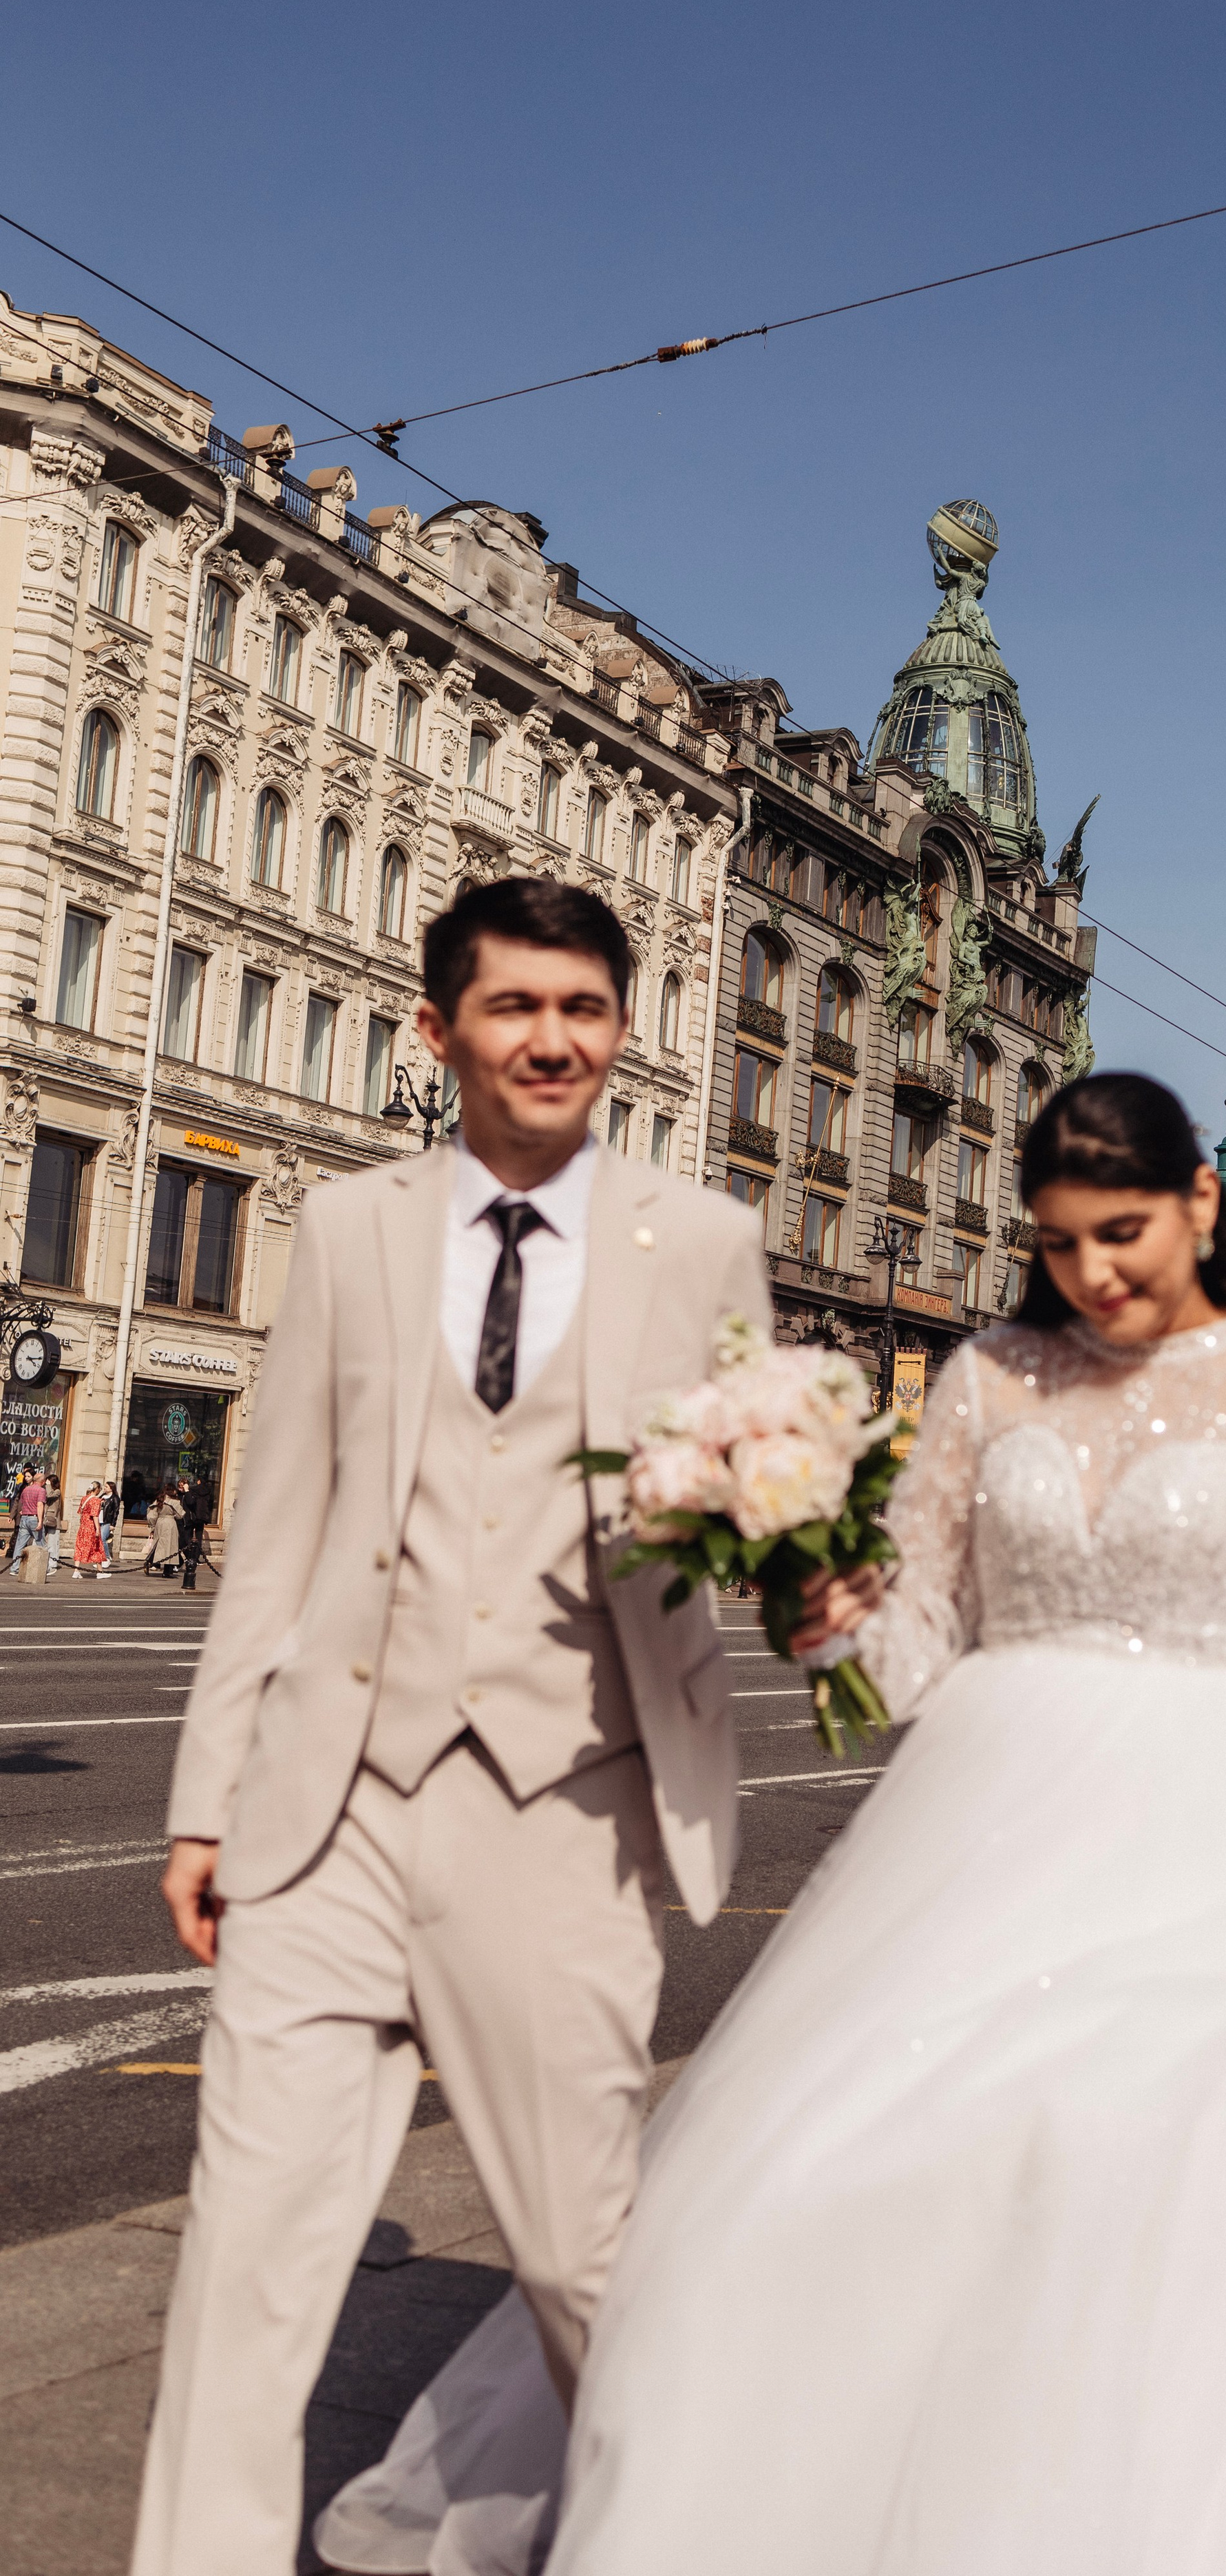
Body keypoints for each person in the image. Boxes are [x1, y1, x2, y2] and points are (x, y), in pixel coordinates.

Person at [317, 1073, 1226, 2576]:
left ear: (1196, 1206)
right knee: (861, 2170)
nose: (1091, 1278)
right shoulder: (990, 1378)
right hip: (993, 1810)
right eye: (1055, 1246)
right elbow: (918, 1643)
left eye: (1120, 1236)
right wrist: (817, 1600)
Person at [129, 878, 770, 2576]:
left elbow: (753, 1513)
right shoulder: (347, 1229)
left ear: (619, 1028)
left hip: (564, 1808)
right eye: (513, 1007)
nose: (551, 1037)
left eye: (583, 1006)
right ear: (440, 1028)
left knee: (580, 2259)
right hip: (324, 1812)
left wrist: (774, 1531)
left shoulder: (700, 1241)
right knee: (245, 2276)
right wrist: (208, 1800)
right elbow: (274, 1535)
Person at [178, 1475, 213, 1592]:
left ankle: (190, 1558)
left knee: (188, 1537)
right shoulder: (208, 1491)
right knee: (198, 1537)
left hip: (193, 1517)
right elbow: (210, 1505)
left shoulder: (193, 1490)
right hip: (203, 1517)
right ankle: (196, 1558)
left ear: (198, 1481)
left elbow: (190, 1502)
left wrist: (188, 1491)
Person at [7, 1468, 43, 1577]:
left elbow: (22, 1502)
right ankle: (46, 1567)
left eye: (28, 1476)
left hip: (24, 1518)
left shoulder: (26, 1489)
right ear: (41, 1481)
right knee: (41, 1543)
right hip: (33, 1518)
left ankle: (15, 1568)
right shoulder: (40, 1490)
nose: (26, 1478)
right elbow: (39, 1505)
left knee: (20, 1544)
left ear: (33, 1477)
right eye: (25, 1476)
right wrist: (40, 1521)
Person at [147, 1487, 182, 1578]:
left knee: (158, 1544)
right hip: (170, 1523)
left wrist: (153, 1527)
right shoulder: (174, 1502)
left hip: (160, 1522)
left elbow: (152, 1515)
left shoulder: (159, 1500)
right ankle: (167, 1571)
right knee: (170, 1547)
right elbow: (180, 1515)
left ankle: (150, 1562)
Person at [73, 1481, 105, 1576]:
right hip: (91, 1527)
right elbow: (95, 1515)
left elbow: (81, 1512)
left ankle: (76, 1571)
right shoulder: (96, 1500)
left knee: (79, 1547)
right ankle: (100, 1572)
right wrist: (98, 1529)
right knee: (97, 1547)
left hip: (83, 1526)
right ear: (98, 1489)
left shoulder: (84, 1498)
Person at [39, 1474, 63, 1578]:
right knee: (40, 1541)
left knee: (53, 1543)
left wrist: (48, 1485)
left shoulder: (57, 1492)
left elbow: (50, 1495)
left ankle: (53, 1564)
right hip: (45, 1519)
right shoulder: (46, 1490)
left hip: (54, 1520)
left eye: (49, 1482)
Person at [97, 1479, 119, 1572]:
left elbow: (116, 1512)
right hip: (100, 1520)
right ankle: (99, 1560)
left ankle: (107, 1557)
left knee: (103, 1539)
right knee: (98, 1539)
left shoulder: (114, 1498)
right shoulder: (102, 1496)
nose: (104, 1488)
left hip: (107, 1521)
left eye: (106, 1487)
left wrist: (113, 1524)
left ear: (111, 1488)